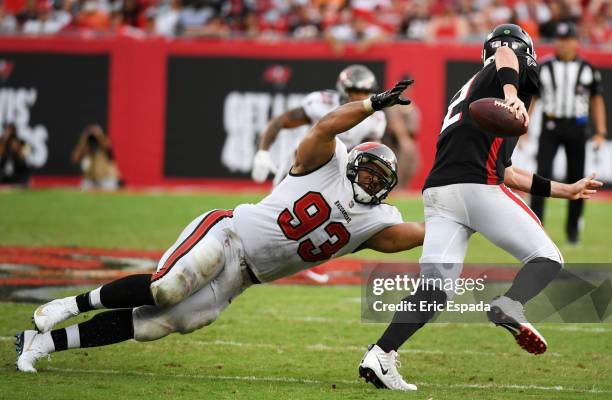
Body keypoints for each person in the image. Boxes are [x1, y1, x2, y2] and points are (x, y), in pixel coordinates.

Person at [16, 79, 426, 374]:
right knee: (166, 286)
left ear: (388, 189)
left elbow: (423, 233)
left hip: (242, 279)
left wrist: (468, 214)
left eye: (379, 180)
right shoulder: (327, 158)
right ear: (354, 162)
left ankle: (43, 344)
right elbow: (325, 126)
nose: (370, 181)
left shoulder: (377, 221)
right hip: (229, 234)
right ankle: (68, 306)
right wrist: (372, 104)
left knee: (156, 323)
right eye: (368, 171)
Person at [358, 24, 603, 391]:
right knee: (548, 258)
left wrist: (565, 190)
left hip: (440, 194)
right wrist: (512, 92)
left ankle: (380, 354)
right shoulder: (509, 70)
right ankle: (511, 305)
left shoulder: (469, 89)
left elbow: (506, 169)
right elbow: (506, 53)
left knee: (435, 290)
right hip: (477, 189)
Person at [529, 22, 607, 244]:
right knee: (541, 176)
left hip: (577, 126)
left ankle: (573, 231)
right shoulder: (543, 67)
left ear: (576, 42)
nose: (563, 44)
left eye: (567, 39)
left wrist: (601, 131)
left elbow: (596, 100)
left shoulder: (588, 69)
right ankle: (536, 227)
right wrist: (523, 126)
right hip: (551, 125)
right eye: (559, 39)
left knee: (577, 178)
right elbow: (533, 98)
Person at [251, 64, 386, 187]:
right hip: (307, 158)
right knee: (278, 199)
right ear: (343, 89)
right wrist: (263, 152)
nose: (360, 96)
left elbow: (370, 149)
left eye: (365, 91)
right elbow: (280, 121)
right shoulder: (321, 102)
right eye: (356, 91)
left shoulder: (376, 118)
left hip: (340, 168)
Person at [72, 124, 121, 190]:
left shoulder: (105, 144)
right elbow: (75, 159)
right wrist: (84, 138)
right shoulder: (86, 147)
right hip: (90, 179)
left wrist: (98, 135)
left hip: (106, 178)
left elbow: (106, 146)